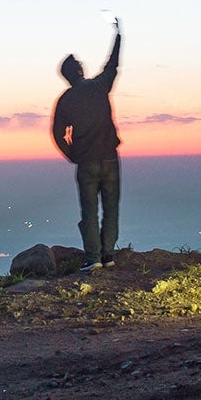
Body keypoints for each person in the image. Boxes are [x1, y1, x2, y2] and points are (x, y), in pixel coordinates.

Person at [51, 18, 122, 271]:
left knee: (89, 211)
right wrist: (118, 35)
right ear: (79, 71)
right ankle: (108, 255)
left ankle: (93, 259)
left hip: (87, 162)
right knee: (111, 208)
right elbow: (112, 64)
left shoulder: (65, 100)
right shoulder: (99, 86)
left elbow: (57, 133)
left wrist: (73, 155)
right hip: (110, 158)